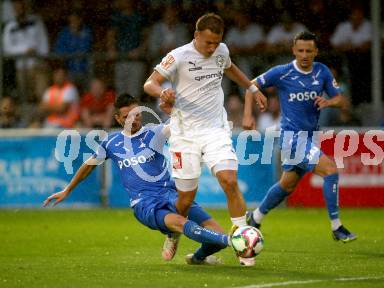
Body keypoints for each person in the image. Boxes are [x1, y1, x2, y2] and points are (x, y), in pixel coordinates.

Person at [44, 94, 231, 265]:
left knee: (217, 234)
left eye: (136, 114)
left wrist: (178, 108)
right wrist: (67, 189)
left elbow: (183, 123)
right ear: (117, 119)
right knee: (182, 224)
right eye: (126, 117)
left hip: (172, 194)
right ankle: (231, 241)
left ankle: (198, 257)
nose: (132, 120)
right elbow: (88, 166)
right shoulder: (111, 142)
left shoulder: (155, 133)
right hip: (145, 203)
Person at [143, 13, 266, 266]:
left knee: (229, 181)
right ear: (196, 35)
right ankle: (173, 233)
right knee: (186, 199)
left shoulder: (221, 50)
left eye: (216, 42)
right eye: (207, 42)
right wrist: (163, 91)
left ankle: (242, 242)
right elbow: (149, 83)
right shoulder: (178, 56)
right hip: (184, 135)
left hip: (215, 130)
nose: (212, 48)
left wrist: (252, 88)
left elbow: (230, 68)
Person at [243, 31, 357, 243]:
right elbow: (251, 87)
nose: (304, 55)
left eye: (308, 51)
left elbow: (342, 100)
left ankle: (255, 217)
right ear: (293, 51)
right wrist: (248, 115)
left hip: (311, 137)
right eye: (300, 51)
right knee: (330, 170)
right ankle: (337, 227)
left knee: (287, 185)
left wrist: (328, 102)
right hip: (292, 138)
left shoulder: (322, 72)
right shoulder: (283, 72)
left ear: (316, 52)